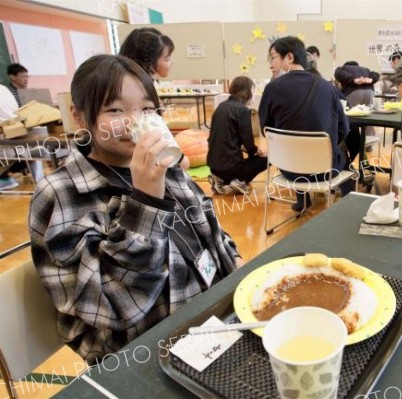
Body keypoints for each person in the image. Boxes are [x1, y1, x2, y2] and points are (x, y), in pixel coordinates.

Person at [28, 55, 241, 364]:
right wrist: (146, 202)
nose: (134, 121)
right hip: (144, 353)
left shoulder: (167, 165)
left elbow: (208, 227)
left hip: (215, 320)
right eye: (115, 110)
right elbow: (117, 307)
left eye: (146, 109)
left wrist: (234, 261)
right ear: (79, 117)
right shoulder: (61, 193)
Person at [259, 36, 351, 211]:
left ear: (289, 57)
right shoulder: (328, 87)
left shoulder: (272, 89)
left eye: (273, 57)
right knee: (343, 153)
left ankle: (302, 200)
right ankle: (346, 207)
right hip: (325, 171)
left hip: (288, 169)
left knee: (295, 136)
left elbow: (266, 129)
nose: (271, 62)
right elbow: (343, 129)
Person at [119, 27, 191, 170]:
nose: (172, 62)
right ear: (150, 61)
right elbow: (177, 161)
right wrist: (181, 160)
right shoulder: (142, 91)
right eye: (167, 58)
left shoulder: (128, 83)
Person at [207, 76, 267, 194]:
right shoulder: (243, 110)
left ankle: (220, 179)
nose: (253, 95)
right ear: (247, 92)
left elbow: (227, 139)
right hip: (232, 169)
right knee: (268, 158)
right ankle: (239, 180)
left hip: (213, 166)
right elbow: (248, 143)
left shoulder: (221, 106)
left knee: (236, 159)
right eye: (253, 91)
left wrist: (249, 150)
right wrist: (256, 151)